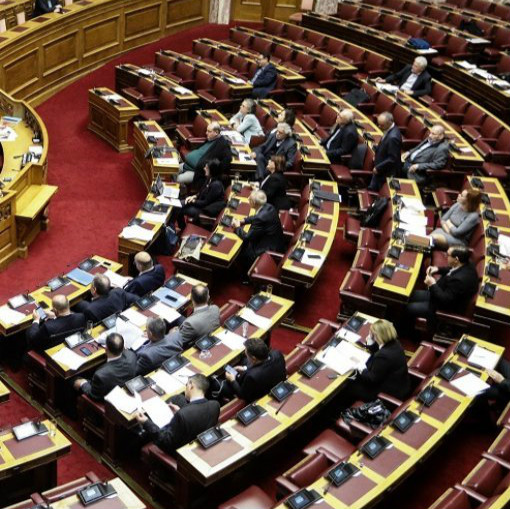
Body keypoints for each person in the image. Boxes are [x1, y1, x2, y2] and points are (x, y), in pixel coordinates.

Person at [135, 374, 220, 454]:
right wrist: (181, 411)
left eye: (186, 385)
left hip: (178, 451)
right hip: (197, 440)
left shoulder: (182, 415)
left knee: (145, 426)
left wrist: (146, 423)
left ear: (191, 386)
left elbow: (165, 442)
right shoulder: (215, 405)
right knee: (179, 398)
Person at [405, 246, 479, 329]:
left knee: (409, 308)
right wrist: (437, 269)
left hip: (441, 308)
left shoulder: (459, 281)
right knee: (410, 295)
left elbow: (444, 300)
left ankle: (406, 331)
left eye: (448, 255)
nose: (446, 256)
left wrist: (432, 284)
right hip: (439, 293)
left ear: (456, 259)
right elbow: (453, 269)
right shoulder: (466, 263)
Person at [344, 320, 410, 403]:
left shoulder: (383, 355)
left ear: (377, 336)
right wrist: (371, 344)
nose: (370, 336)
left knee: (349, 385)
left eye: (372, 334)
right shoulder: (395, 343)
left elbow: (372, 379)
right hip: (400, 385)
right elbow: (380, 349)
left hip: (385, 393)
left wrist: (360, 367)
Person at [233, 190, 286, 280]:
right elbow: (257, 217)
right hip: (277, 244)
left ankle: (245, 278)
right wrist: (244, 220)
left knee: (241, 248)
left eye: (249, 198)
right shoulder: (269, 206)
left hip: (266, 250)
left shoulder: (260, 218)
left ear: (253, 203)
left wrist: (237, 227)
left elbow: (246, 237)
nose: (248, 198)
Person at [73, 333, 137, 401]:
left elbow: (94, 395)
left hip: (105, 398)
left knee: (73, 379)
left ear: (106, 349)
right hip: (119, 388)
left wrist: (82, 383)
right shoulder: (131, 356)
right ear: (122, 347)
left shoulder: (100, 375)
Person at [223, 338, 286, 403]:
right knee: (244, 361)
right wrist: (245, 368)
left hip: (260, 396)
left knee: (220, 385)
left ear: (254, 358)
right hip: (274, 382)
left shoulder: (252, 376)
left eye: (246, 354)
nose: (246, 355)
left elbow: (243, 395)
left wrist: (232, 380)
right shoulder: (277, 354)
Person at [172, 159, 226, 230]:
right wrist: (194, 196)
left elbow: (205, 203)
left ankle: (178, 229)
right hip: (199, 204)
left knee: (177, 208)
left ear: (212, 170)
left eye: (207, 168)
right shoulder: (210, 178)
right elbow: (201, 192)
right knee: (177, 205)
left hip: (204, 210)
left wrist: (192, 201)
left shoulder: (216, 185)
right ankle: (179, 228)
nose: (204, 168)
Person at [176, 122, 231, 187]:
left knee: (176, 180)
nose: (206, 133)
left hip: (195, 172)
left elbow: (227, 160)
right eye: (206, 131)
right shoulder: (210, 139)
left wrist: (210, 171)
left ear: (216, 132)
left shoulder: (222, 145)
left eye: (209, 131)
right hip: (185, 165)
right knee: (169, 170)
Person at [165, 285, 220, 350]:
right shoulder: (215, 308)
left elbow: (177, 342)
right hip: (201, 329)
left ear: (191, 298)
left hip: (191, 344)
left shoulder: (190, 323)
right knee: (176, 316)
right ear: (208, 297)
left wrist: (172, 334)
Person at [368, 112, 402, 192]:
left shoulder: (393, 137)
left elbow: (392, 158)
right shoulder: (389, 129)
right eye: (379, 124)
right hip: (380, 165)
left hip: (385, 170)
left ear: (389, 123)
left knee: (376, 191)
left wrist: (378, 167)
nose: (379, 127)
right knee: (372, 188)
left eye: (382, 125)